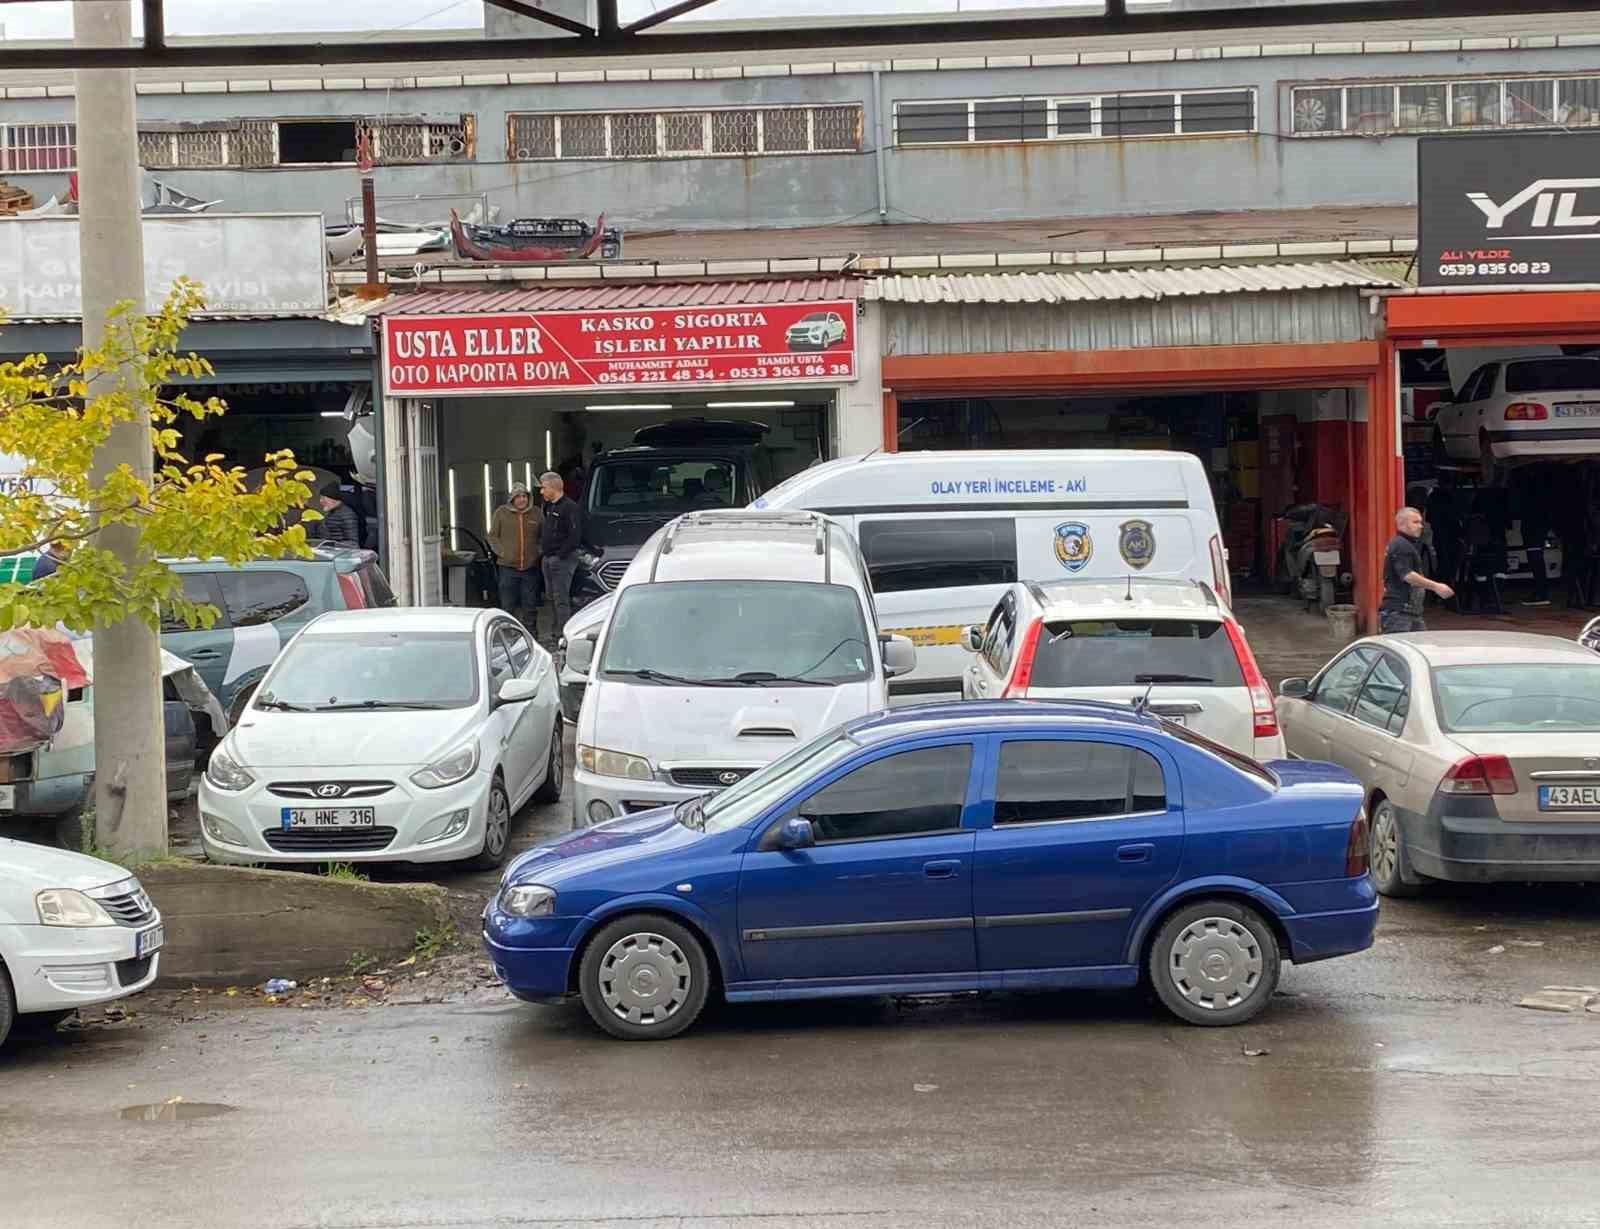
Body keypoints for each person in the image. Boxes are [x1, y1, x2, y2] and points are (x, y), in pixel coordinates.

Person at [1380, 506, 1454, 633]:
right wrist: (1436, 586)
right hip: (1400, 613)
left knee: (1422, 646)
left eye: (1421, 522)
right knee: (1401, 650)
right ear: (1401, 524)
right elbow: (1407, 575)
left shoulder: (1407, 544)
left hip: (1411, 612)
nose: (1420, 526)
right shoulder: (1401, 545)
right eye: (1415, 522)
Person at [490, 482, 544, 630]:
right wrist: (502, 552)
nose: (522, 499)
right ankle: (508, 635)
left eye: (524, 496)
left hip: (530, 568)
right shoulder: (501, 513)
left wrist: (537, 552)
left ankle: (531, 637)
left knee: (530, 606)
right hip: (507, 568)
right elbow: (493, 536)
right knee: (507, 606)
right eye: (518, 497)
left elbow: (543, 537)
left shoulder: (537, 513)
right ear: (512, 499)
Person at [539, 470, 582, 642]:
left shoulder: (570, 507)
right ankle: (554, 631)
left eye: (543, 488)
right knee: (550, 598)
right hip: (548, 558)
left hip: (561, 559)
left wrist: (560, 555)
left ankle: (564, 634)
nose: (541, 492)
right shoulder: (549, 506)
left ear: (553, 488)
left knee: (561, 598)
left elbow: (574, 535)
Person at [316, 482, 361, 546]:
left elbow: (353, 543)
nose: (321, 501)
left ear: (334, 498)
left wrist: (331, 545)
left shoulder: (347, 515)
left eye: (323, 498)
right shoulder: (331, 513)